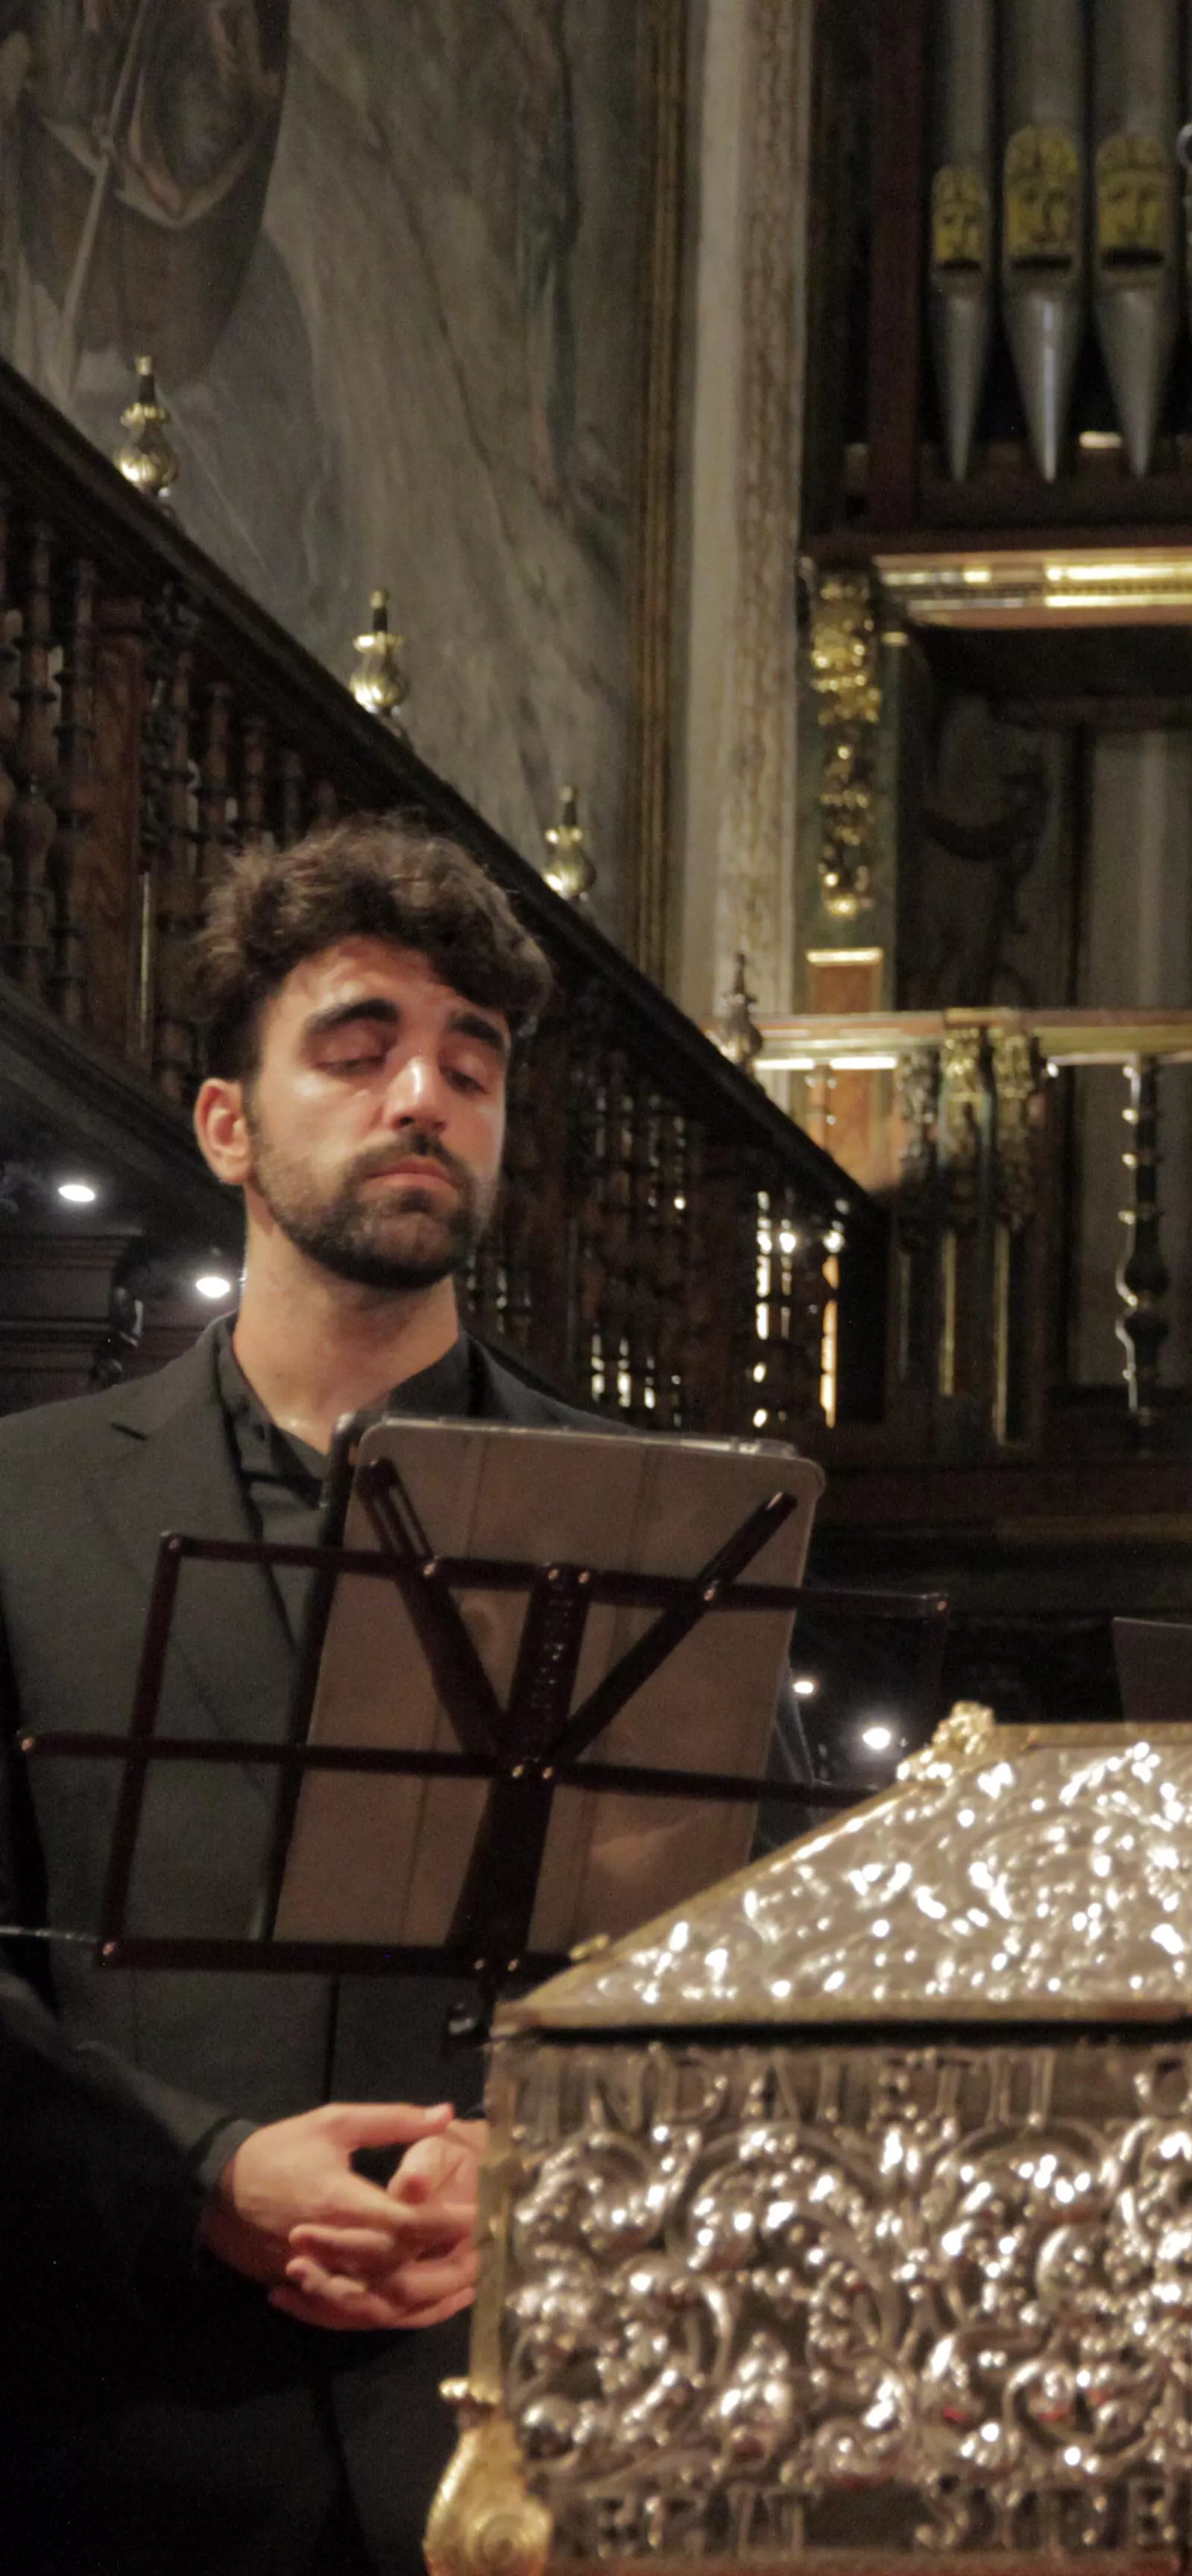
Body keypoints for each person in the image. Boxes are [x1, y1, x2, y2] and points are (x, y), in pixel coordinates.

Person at [0, 820, 605, 2576]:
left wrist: (542, 2173)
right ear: (227, 1124)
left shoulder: (656, 1508)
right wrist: (203, 2170)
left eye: (470, 1062)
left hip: (527, 2448)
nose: (424, 1091)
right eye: (357, 1045)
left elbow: (734, 1958)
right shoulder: (17, 1499)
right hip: (118, 2437)